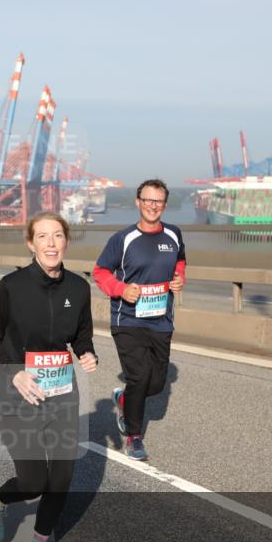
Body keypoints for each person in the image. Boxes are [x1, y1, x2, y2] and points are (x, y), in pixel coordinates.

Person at [0, 212, 97, 542]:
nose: (50, 243)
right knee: (34, 483)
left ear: (66, 241)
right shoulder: (12, 286)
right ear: (30, 243)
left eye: (57, 235)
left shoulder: (79, 288)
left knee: (60, 481)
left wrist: (87, 352)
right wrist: (14, 373)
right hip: (19, 397)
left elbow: (81, 334)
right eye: (42, 236)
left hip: (63, 397)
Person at [93, 179, 186, 460]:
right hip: (128, 320)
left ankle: (125, 399)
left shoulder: (174, 234)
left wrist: (179, 279)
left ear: (164, 205)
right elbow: (100, 272)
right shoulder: (122, 239)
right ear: (138, 202)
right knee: (140, 376)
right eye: (147, 200)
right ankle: (134, 436)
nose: (152, 206)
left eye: (157, 201)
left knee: (155, 383)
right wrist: (122, 289)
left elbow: (180, 261)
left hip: (161, 320)